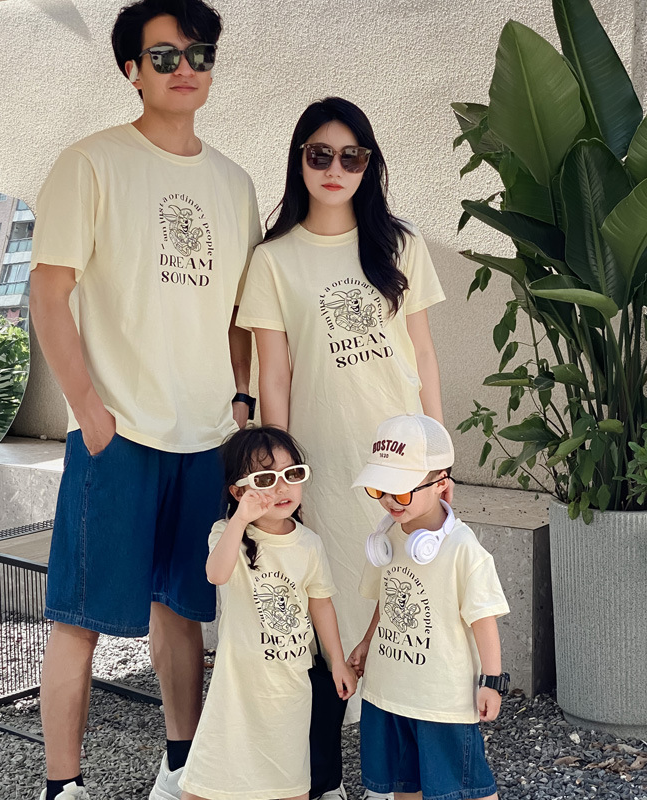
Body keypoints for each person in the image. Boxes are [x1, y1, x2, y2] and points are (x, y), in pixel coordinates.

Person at [28, 1, 261, 798]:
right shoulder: (90, 164)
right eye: (164, 56)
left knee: (183, 613)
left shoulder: (234, 184)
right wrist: (91, 413)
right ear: (131, 69)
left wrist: (239, 403)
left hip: (204, 436)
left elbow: (236, 314)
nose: (184, 68)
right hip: (118, 435)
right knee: (79, 618)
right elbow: (49, 294)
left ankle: (182, 769)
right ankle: (64, 785)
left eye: (199, 54)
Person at [236, 97, 446, 748]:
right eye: (320, 154)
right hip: (321, 459)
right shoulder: (274, 259)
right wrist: (280, 478)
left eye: (352, 157)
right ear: (299, 160)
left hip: (400, 461)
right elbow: (274, 375)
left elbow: (424, 356)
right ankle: (322, 768)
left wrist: (439, 460)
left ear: (369, 165)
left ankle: (394, 768)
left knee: (405, 600)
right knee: (326, 601)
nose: (335, 169)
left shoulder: (402, 245)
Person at [179, 426, 358, 800]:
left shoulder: (308, 543)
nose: (281, 487)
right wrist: (240, 520)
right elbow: (216, 574)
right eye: (265, 479)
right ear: (238, 491)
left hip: (290, 686)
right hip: (237, 688)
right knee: (207, 781)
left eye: (292, 474)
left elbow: (321, 603)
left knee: (289, 781)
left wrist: (338, 661)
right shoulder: (226, 532)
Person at [348, 413, 510, 800]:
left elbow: (483, 619)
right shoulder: (386, 538)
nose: (389, 501)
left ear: (441, 484)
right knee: (404, 784)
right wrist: (368, 641)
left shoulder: (463, 550)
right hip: (389, 691)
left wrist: (492, 682)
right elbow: (388, 598)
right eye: (379, 489)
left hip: (441, 699)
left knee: (466, 786)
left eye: (401, 492)